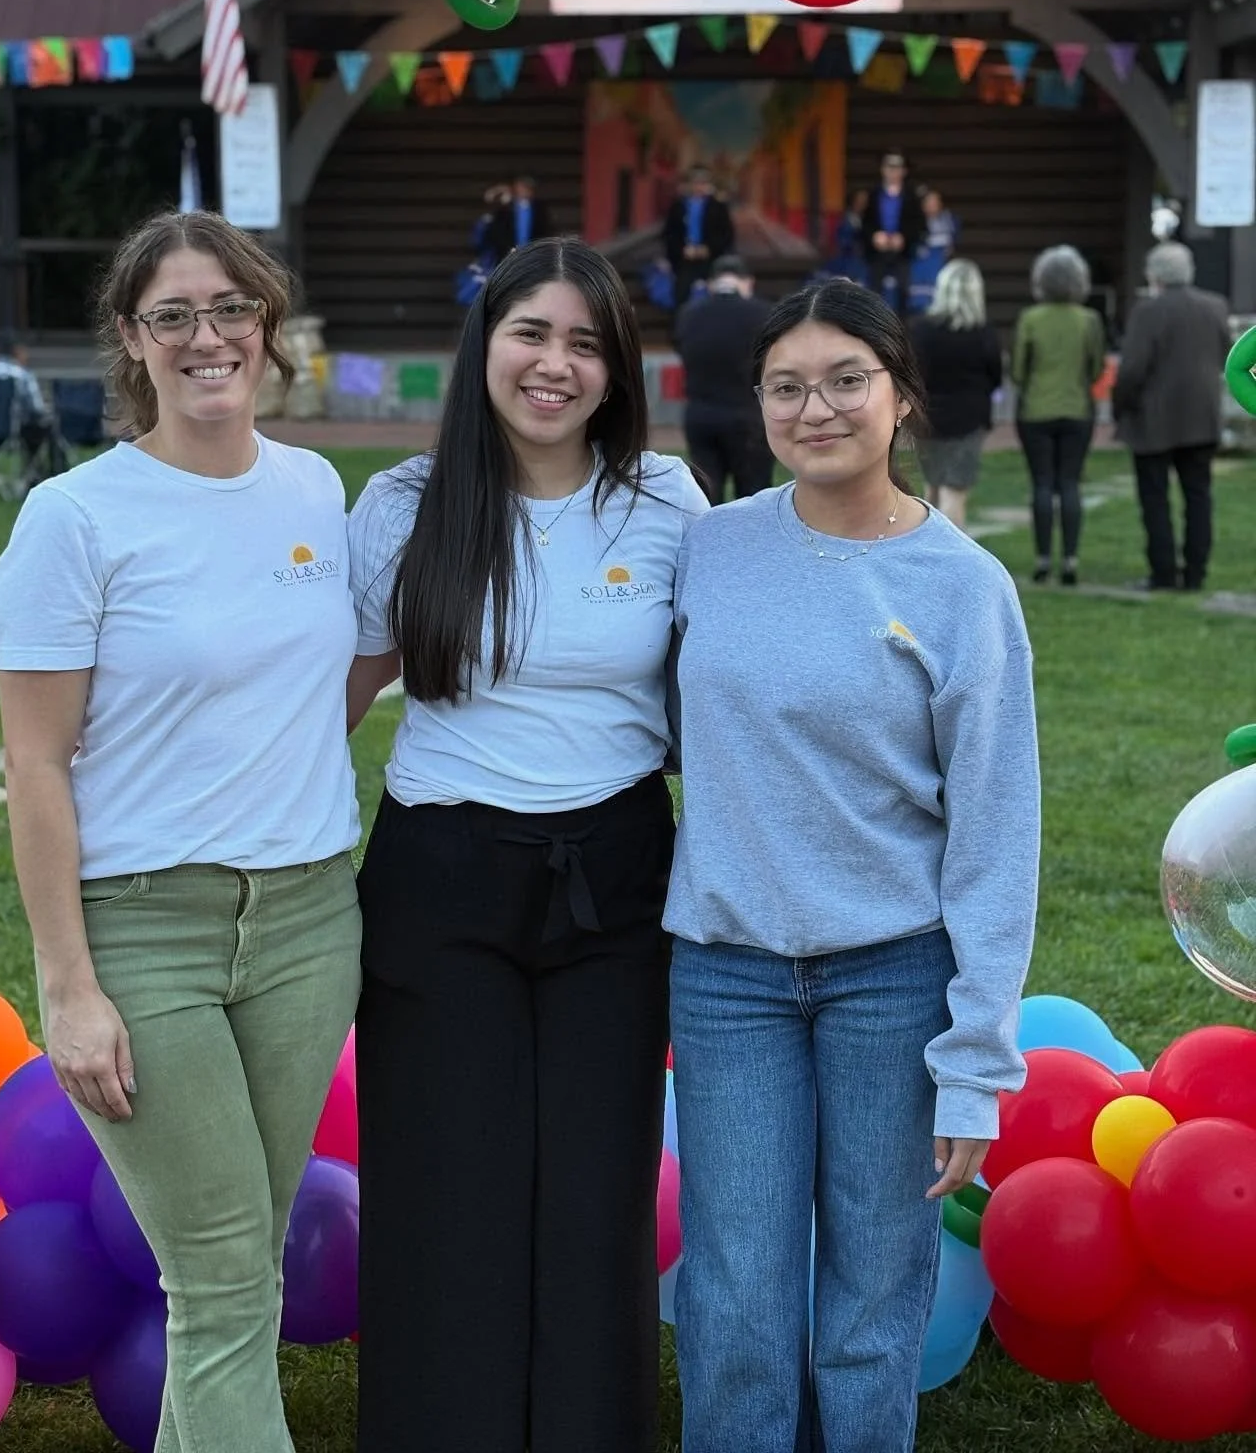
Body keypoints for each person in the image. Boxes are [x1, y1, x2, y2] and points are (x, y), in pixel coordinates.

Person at [0, 211, 362, 1453]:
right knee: (221, 1275)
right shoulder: (76, 517)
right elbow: (35, 764)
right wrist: (68, 985)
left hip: (309, 920)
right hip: (149, 934)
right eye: (174, 316)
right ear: (133, 343)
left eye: (231, 309)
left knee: (238, 1267)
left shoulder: (314, 488)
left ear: (269, 327)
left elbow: (332, 680)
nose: (209, 337)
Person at [346, 238, 707, 1453]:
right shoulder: (401, 504)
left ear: (617, 369)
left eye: (587, 343)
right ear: (483, 343)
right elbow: (327, 700)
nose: (556, 365)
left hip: (613, 883)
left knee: (594, 1199)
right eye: (532, 334)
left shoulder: (665, 502)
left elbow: (725, 695)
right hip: (440, 883)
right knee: (453, 1195)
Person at [667, 280, 1039, 1453]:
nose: (813, 407)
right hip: (728, 978)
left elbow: (994, 835)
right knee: (733, 1293)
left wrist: (977, 1059)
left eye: (845, 381)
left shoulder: (965, 588)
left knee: (876, 1296)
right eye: (786, 386)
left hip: (893, 976)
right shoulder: (709, 550)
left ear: (902, 397)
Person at [1113, 240, 1230, 592]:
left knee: (1155, 498)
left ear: (1154, 275)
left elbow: (1132, 370)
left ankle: (1163, 573)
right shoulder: (1215, 306)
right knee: (1198, 496)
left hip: (1154, 420)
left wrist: (1123, 407)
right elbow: (1229, 352)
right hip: (1201, 416)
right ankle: (1196, 573)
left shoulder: (1148, 312)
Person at [1012, 245, 1107, 586]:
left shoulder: (1030, 319)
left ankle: (1041, 560)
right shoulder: (1089, 320)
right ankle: (1069, 559)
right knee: (1069, 482)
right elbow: (1096, 367)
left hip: (1036, 410)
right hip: (1077, 408)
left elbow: (1019, 372)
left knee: (1041, 483)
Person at [910, 259, 1003, 532]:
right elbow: (995, 376)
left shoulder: (922, 330)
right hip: (969, 419)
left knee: (932, 490)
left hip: (927, 418)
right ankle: (952, 564)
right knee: (954, 492)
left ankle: (925, 554)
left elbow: (912, 373)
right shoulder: (984, 334)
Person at [675, 254, 772, 504]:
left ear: (711, 283)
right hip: (748, 417)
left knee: (706, 499)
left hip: (701, 415)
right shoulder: (762, 314)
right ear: (747, 282)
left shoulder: (688, 314)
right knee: (754, 500)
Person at [0, 332, 67, 480]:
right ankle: (53, 473)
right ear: (16, 350)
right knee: (46, 427)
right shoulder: (21, 374)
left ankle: (32, 472)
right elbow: (36, 407)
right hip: (14, 431)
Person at [860, 153, 924, 316]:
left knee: (904, 291)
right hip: (878, 251)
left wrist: (903, 237)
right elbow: (865, 223)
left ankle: (901, 331)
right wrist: (875, 236)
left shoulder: (911, 195)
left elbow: (919, 224)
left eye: (897, 168)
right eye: (889, 167)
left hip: (903, 252)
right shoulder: (873, 194)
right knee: (874, 291)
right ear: (883, 170)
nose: (893, 172)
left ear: (904, 171)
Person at [663, 166, 735, 307]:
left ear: (709, 185)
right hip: (685, 260)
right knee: (681, 297)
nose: (699, 186)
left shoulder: (718, 207)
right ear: (690, 184)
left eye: (703, 183)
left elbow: (727, 234)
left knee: (714, 300)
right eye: (696, 182)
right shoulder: (678, 206)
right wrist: (682, 250)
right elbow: (669, 234)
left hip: (712, 260)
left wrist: (708, 249)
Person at [906, 188, 959, 316]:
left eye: (935, 202)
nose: (932, 205)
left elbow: (952, 244)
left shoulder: (949, 222)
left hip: (940, 272)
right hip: (918, 274)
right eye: (928, 202)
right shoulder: (913, 224)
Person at [485, 174, 555, 261]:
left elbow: (545, 231)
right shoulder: (505, 208)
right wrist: (507, 249)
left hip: (533, 255)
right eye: (522, 187)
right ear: (516, 188)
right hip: (507, 255)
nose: (524, 190)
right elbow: (497, 231)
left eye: (528, 187)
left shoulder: (539, 208)